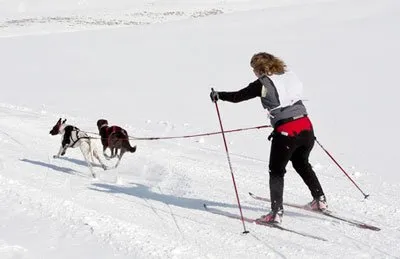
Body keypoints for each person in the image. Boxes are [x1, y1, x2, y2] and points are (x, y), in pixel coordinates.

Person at [209, 52, 327, 224]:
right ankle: (320, 200)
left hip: (287, 132)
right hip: (306, 126)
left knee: (277, 171)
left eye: (254, 69)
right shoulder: (289, 75)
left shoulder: (262, 84)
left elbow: (238, 97)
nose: (254, 73)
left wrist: (219, 95)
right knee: (302, 163)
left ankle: (276, 213)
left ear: (260, 68)